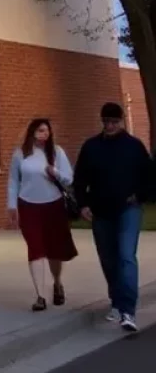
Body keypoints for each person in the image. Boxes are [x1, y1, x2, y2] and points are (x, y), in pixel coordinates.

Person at [73, 101, 153, 334]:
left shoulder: (134, 146)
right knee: (109, 260)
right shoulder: (91, 147)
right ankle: (117, 301)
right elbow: (80, 179)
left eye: (114, 122)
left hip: (128, 209)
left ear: (122, 121)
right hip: (101, 211)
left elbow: (149, 176)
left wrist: (140, 195)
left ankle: (128, 309)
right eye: (106, 122)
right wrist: (83, 204)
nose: (110, 126)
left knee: (126, 256)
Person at [7, 118, 77, 311]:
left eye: (46, 131)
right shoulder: (21, 154)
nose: (43, 134)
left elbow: (69, 179)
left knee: (54, 250)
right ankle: (40, 295)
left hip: (53, 205)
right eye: (40, 130)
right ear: (31, 133)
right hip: (28, 205)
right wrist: (11, 206)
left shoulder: (56, 152)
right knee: (35, 248)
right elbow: (13, 181)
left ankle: (57, 283)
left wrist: (54, 172)